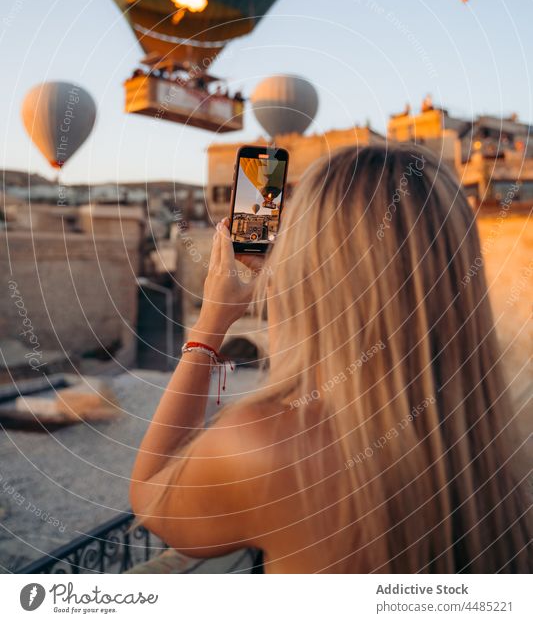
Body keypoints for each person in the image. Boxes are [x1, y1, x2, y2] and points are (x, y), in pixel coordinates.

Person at [130, 144, 531, 573]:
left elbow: (152, 500)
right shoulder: (502, 437)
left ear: (306, 270)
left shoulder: (271, 443)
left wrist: (210, 323)